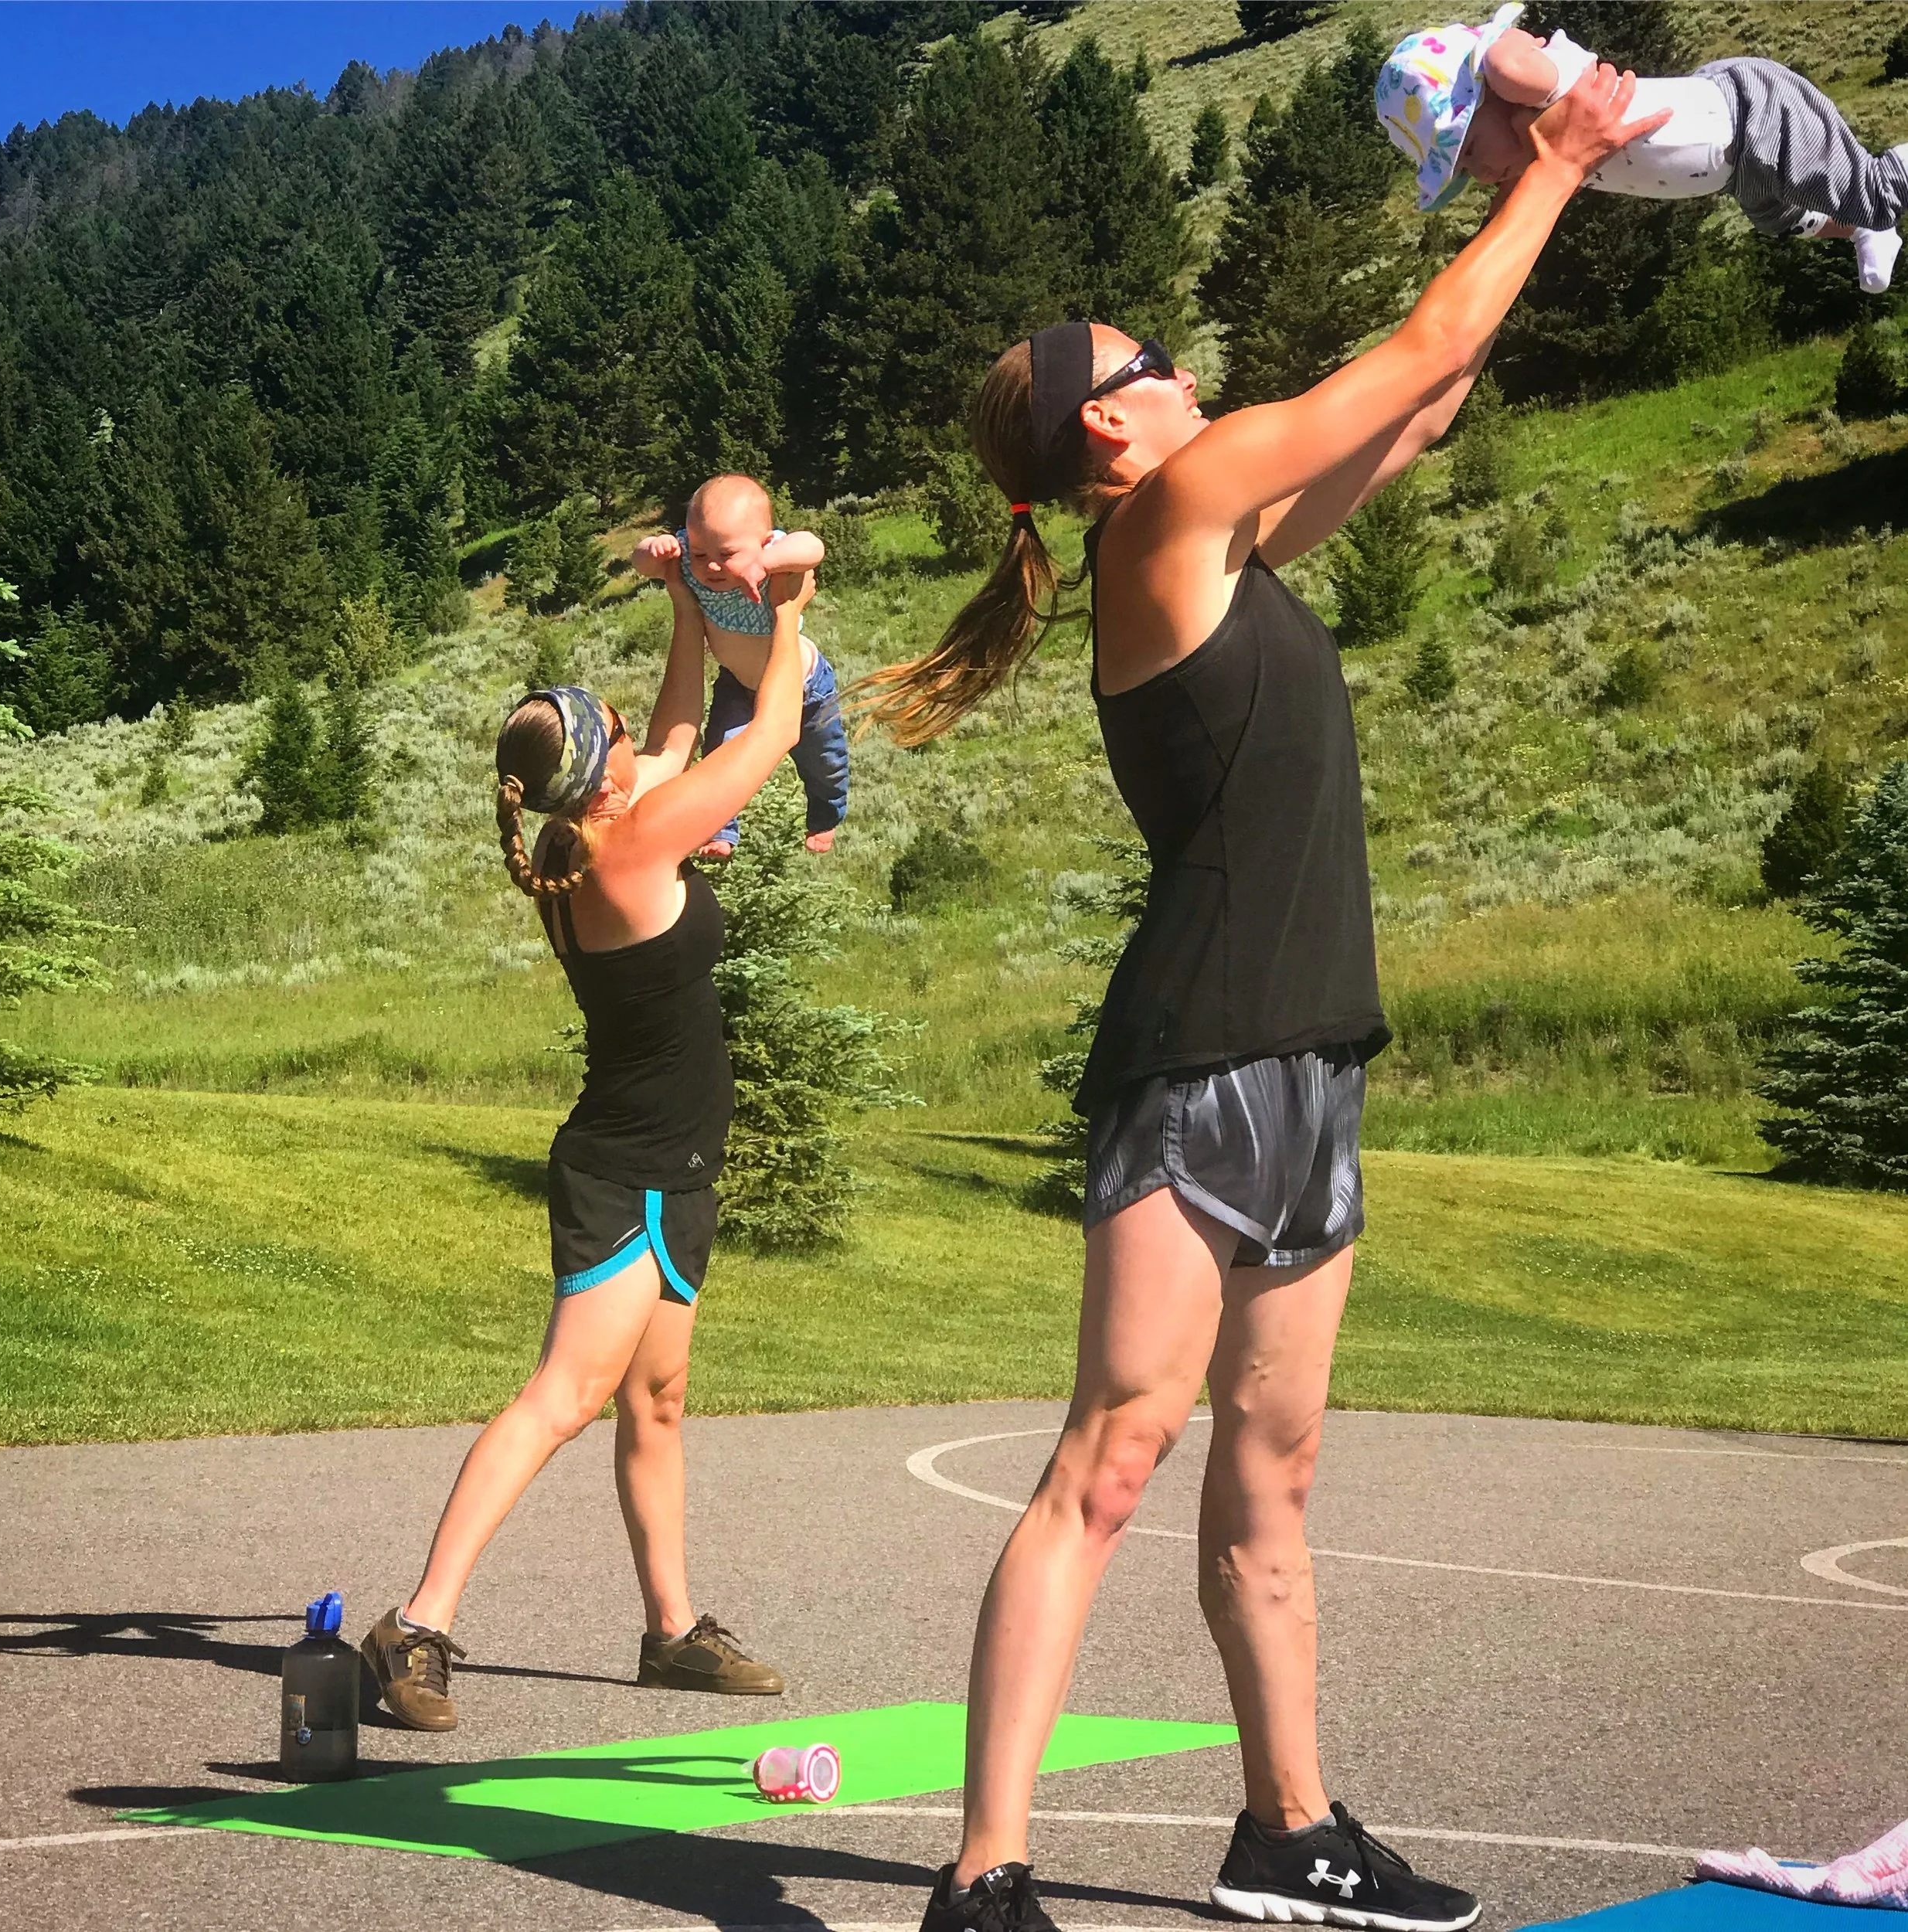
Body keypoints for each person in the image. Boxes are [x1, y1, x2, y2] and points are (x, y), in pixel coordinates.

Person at [851, 60, 1667, 1932]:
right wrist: (1547, 162)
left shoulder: (1231, 544)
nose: (1182, 368)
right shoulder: (1168, 520)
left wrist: (1521, 188)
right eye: (1147, 361)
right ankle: (983, 1878)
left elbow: (1430, 391)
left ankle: (1285, 1828)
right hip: (1199, 1062)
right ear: (1104, 433)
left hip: (1311, 1062)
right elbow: (1400, 351)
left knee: (1273, 1469)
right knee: (1109, 1457)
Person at [360, 564, 815, 1730]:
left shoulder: (588, 835)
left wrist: (681, 613)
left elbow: (671, 729)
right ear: (601, 771)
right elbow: (765, 725)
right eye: (615, 730)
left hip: (674, 1167)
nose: (637, 732)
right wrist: (790, 610)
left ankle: (671, 1633)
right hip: (626, 1171)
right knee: (566, 1395)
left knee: (655, 1403)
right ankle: (417, 1622)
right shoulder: (632, 840)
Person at [1378, 1, 1908, 292]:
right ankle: (1866, 229)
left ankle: (1874, 211)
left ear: (1489, 95)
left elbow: (1505, 61)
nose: (1482, 172)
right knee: (1782, 220)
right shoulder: (1546, 152)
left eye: (1467, 150)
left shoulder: (1546, 88)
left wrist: (1490, 44)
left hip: (1752, 115)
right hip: (1735, 166)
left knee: (1874, 190)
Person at [631, 473, 848, 859]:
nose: (712, 566)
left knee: (824, 762)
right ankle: (721, 829)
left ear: (764, 541)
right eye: (700, 555)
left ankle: (825, 814)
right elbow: (643, 563)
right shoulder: (690, 557)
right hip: (737, 683)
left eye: (727, 555)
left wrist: (765, 564)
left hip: (806, 686)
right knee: (719, 756)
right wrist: (655, 548)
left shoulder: (776, 558)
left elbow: (813, 547)